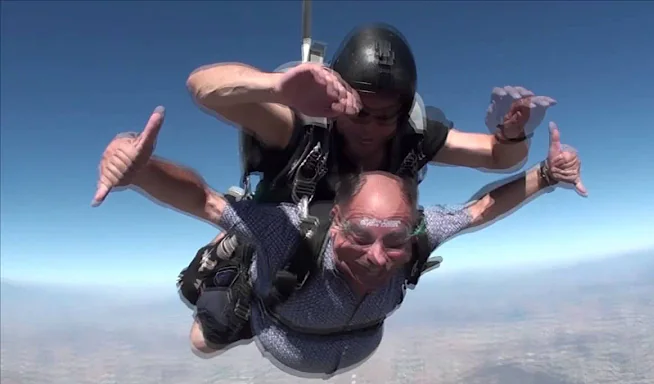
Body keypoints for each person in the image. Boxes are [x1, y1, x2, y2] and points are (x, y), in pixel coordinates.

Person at [93, 105, 587, 378]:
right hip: (271, 315)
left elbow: (479, 209)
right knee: (202, 341)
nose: (378, 255)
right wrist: (141, 172)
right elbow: (201, 200)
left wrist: (544, 175)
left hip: (346, 341)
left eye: (394, 237)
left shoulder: (418, 234)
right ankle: (240, 260)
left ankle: (246, 252)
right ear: (335, 223)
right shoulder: (289, 231)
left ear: (411, 224)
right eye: (359, 234)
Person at [91, 24, 559, 309]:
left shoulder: (414, 137)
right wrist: (275, 88)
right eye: (358, 110)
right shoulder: (300, 126)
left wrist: (514, 135)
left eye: (385, 116)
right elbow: (203, 88)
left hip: (354, 253)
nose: (371, 128)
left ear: (404, 109)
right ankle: (231, 250)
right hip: (278, 237)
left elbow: (500, 159)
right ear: (339, 99)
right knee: (208, 331)